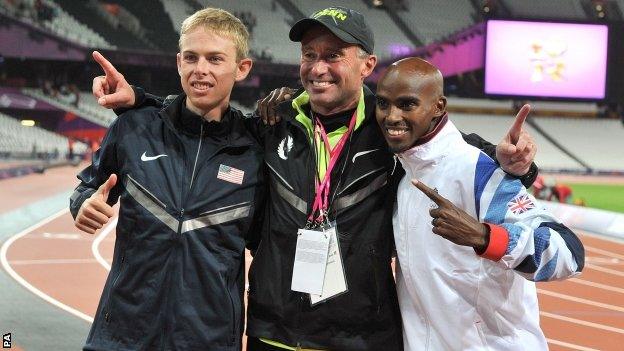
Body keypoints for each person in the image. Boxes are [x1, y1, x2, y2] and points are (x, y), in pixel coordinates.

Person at [91, 6, 538, 350]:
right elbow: (204, 121)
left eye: (333, 56)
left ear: (367, 65)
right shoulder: (271, 121)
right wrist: (143, 103)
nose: (318, 67)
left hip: (360, 337)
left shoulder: (392, 131)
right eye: (309, 55)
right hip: (272, 332)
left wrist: (516, 163)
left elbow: (459, 154)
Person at [70, 8, 264, 350]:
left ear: (242, 68)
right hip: (121, 335)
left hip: (209, 338)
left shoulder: (255, 153)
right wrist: (83, 204)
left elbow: (265, 242)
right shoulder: (134, 128)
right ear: (178, 63)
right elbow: (88, 186)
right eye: (191, 57)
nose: (200, 69)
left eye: (215, 59)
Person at [375, 57, 584, 350]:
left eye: (407, 105)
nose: (391, 116)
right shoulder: (403, 173)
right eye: (383, 104)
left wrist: (486, 237)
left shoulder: (477, 171)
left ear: (438, 107)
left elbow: (569, 254)